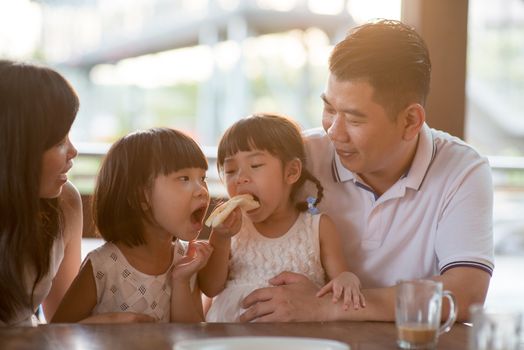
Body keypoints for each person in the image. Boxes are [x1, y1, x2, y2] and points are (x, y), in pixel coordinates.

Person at [238, 19, 494, 322]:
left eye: (354, 120)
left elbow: (464, 296)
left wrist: (327, 306)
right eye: (330, 109)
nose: (335, 132)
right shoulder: (298, 159)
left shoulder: (462, 171)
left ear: (411, 121)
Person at [199, 114, 365, 322]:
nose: (240, 178)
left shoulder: (318, 227)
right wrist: (221, 239)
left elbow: (340, 279)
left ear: (291, 172)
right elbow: (210, 287)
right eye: (230, 170)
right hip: (231, 335)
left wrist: (348, 279)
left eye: (256, 165)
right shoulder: (230, 229)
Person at [52, 128, 212, 323]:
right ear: (140, 196)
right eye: (184, 178)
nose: (202, 190)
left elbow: (192, 337)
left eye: (202, 178)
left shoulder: (187, 262)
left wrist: (181, 280)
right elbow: (58, 332)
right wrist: (108, 321)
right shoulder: (102, 266)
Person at [0, 60, 82, 326]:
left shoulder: (66, 202)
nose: (73, 152)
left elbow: (64, 320)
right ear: (16, 146)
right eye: (59, 141)